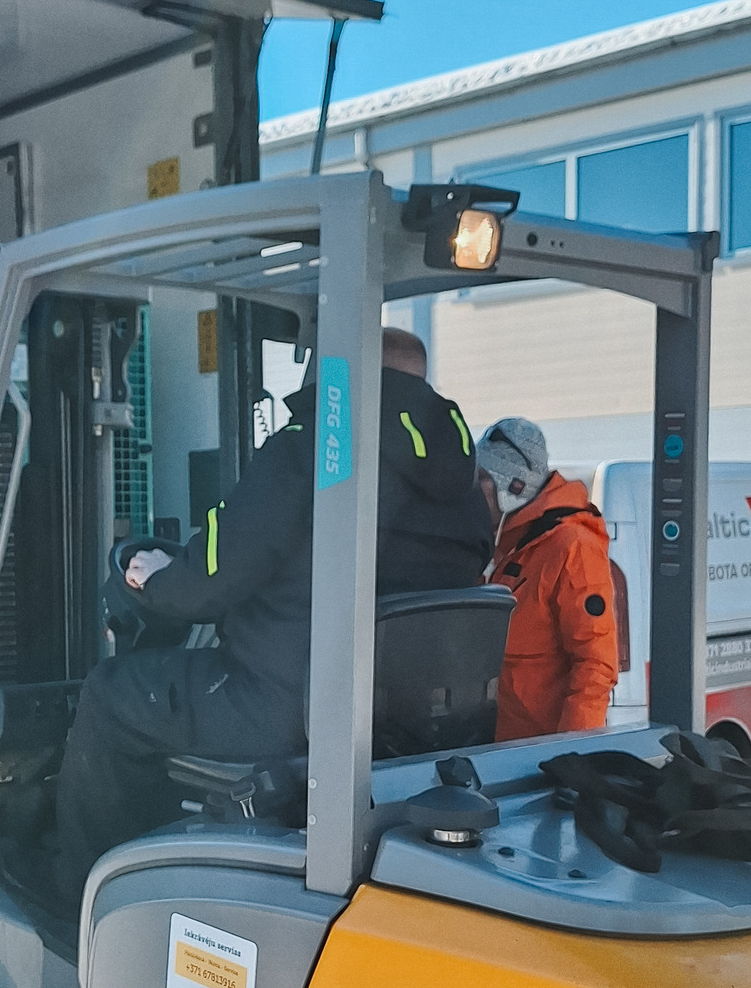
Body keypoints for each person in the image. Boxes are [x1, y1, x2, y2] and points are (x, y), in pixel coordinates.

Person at [48, 328, 492, 902]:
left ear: (338, 372)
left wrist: (157, 576)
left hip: (282, 705)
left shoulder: (309, 452)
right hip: (399, 722)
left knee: (113, 693)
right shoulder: (462, 489)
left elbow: (211, 579)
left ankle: (84, 899)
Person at [477, 416, 620, 742]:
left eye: (482, 478)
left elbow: (595, 664)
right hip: (501, 748)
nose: (472, 489)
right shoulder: (512, 546)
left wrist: (570, 755)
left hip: (539, 754)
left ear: (512, 488)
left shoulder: (571, 547)